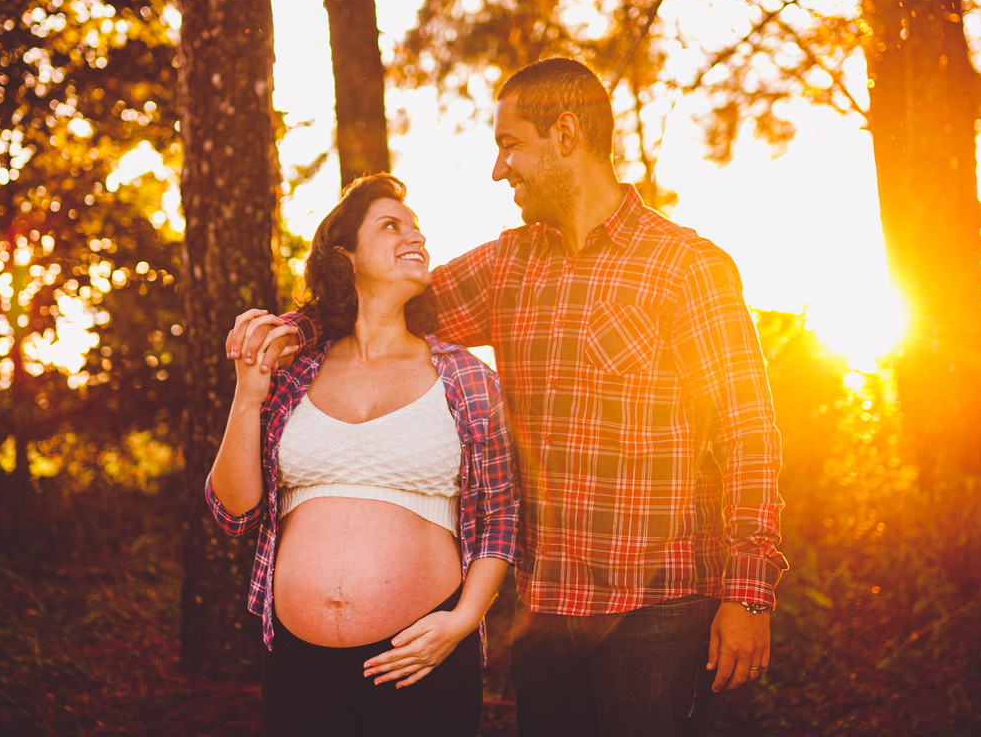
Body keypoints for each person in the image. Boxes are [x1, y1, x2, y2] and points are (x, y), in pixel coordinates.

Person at [230, 58, 787, 737]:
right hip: (546, 608)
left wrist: (749, 593)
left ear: (566, 132)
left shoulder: (686, 267)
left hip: (657, 608)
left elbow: (750, 431)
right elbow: (381, 302)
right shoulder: (507, 265)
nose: (501, 169)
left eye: (509, 145)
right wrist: (282, 332)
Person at [206, 173, 518, 737]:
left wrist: (462, 621)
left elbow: (501, 516)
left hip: (421, 660)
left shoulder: (466, 378)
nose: (415, 237)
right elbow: (234, 510)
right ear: (344, 255)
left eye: (418, 229)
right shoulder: (294, 371)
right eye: (392, 225)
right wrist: (247, 393)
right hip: (299, 667)